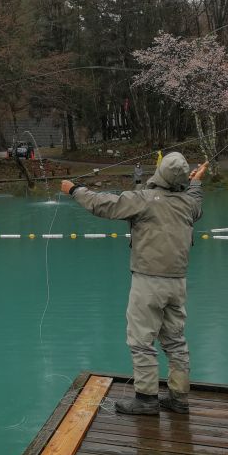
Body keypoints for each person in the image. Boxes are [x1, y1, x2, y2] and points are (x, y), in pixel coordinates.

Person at [60, 153, 207, 416]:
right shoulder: (189, 204)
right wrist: (195, 183)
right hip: (178, 283)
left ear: (159, 173)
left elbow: (102, 204)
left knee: (141, 341)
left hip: (148, 282)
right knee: (175, 341)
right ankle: (179, 398)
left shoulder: (144, 201)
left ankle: (147, 400)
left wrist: (74, 190)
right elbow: (195, 198)